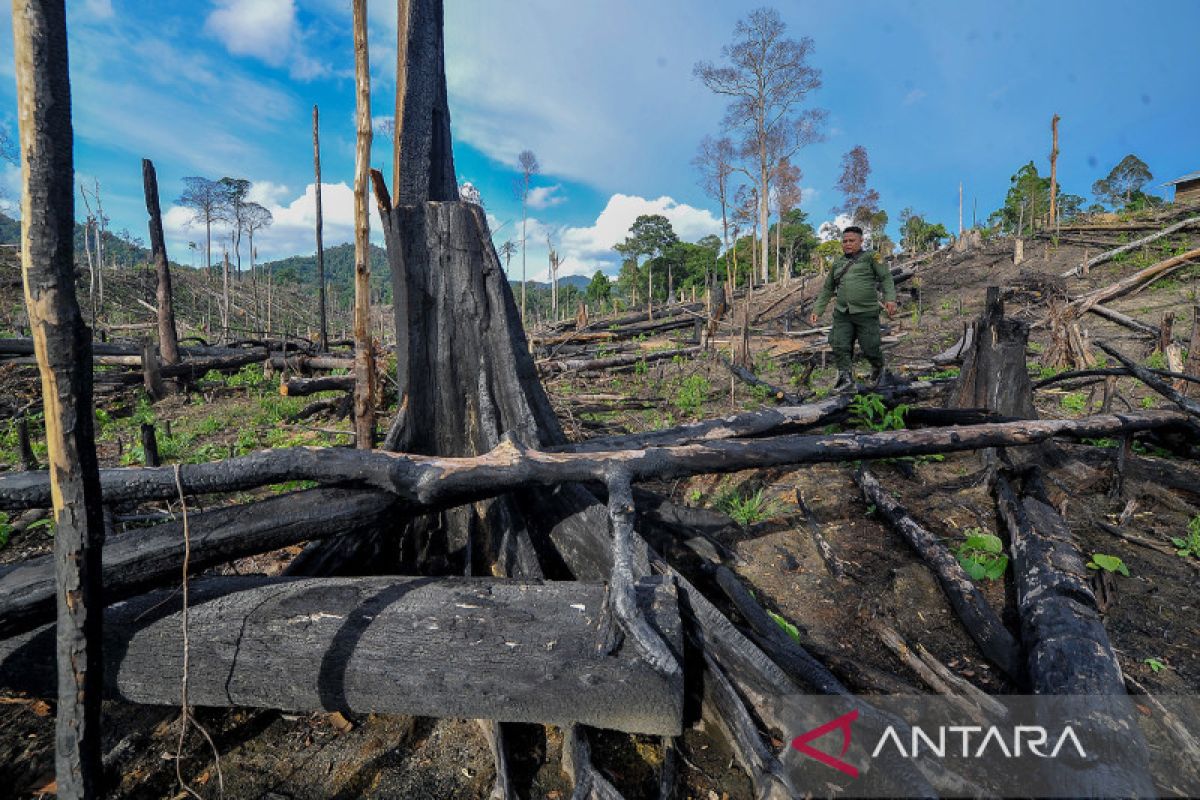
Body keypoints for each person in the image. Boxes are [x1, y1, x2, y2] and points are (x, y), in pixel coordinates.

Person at [808, 226, 897, 390]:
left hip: (866, 312)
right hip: (843, 313)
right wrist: (817, 310)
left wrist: (890, 299)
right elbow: (828, 289)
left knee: (870, 346)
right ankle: (845, 377)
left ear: (861, 241)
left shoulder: (872, 257)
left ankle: (878, 367)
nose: (847, 244)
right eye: (844, 241)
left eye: (851, 241)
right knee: (839, 343)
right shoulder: (838, 263)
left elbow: (885, 278)